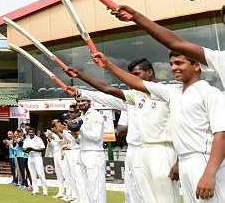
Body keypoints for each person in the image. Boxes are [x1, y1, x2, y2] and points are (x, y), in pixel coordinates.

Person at [95, 50, 225, 202]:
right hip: (185, 162)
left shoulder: (211, 93)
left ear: (196, 65)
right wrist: (108, 65)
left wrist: (209, 173)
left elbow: (221, 134)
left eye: (179, 63)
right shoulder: (173, 92)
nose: (173, 68)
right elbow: (137, 83)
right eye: (171, 64)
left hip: (204, 161)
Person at [65, 58, 179, 203]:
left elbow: (179, 129)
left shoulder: (167, 93)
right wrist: (80, 86)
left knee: (165, 197)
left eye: (135, 75)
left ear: (150, 72)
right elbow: (107, 90)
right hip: (141, 150)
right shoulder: (136, 96)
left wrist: (178, 160)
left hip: (163, 150)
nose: (131, 80)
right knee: (142, 196)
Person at [73, 96, 106, 203]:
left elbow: (96, 137)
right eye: (78, 101)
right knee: (87, 188)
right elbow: (81, 139)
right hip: (83, 153)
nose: (80, 103)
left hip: (94, 154)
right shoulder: (82, 116)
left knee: (96, 189)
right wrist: (75, 135)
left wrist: (79, 130)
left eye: (83, 101)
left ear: (89, 102)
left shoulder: (95, 115)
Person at [46, 121, 69, 199]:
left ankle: (69, 193)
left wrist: (55, 136)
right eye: (52, 127)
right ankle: (61, 192)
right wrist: (49, 138)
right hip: (55, 154)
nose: (53, 128)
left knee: (65, 173)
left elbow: (64, 142)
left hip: (61, 153)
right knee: (59, 174)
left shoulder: (62, 133)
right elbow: (53, 145)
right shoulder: (53, 135)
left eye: (55, 126)